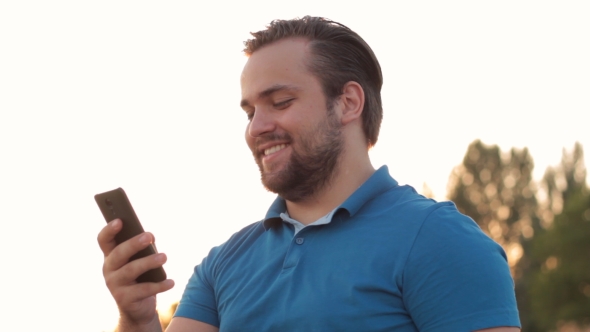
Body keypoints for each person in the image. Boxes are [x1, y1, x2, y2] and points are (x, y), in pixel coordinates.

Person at [97, 16, 521, 332]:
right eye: (249, 111)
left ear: (348, 103)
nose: (256, 127)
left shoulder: (441, 241)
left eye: (280, 101)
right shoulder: (222, 264)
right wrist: (136, 319)